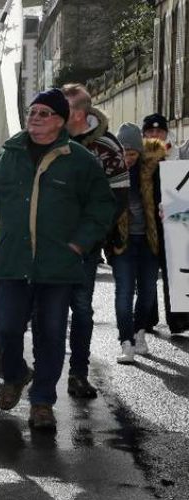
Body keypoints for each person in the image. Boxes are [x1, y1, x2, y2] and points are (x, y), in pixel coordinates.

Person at [0, 88, 115, 431]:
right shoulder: (10, 154)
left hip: (57, 266)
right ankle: (15, 374)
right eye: (33, 112)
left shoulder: (79, 160)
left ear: (60, 120)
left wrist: (80, 244)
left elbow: (102, 206)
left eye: (44, 113)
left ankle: (42, 402)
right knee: (7, 330)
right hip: (13, 262)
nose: (35, 117)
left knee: (51, 334)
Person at [61, 83, 128, 399]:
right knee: (45, 310)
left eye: (65, 108)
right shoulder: (50, 139)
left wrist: (90, 236)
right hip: (49, 242)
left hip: (84, 247)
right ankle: (42, 373)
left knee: (81, 309)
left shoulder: (105, 147)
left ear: (79, 113)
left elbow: (119, 197)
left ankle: (78, 372)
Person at [110, 124, 165, 363]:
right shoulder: (110, 172)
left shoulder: (154, 171)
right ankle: (126, 342)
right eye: (124, 153)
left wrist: (165, 209)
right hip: (122, 242)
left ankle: (139, 332)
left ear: (140, 152)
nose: (128, 158)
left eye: (133, 153)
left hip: (148, 241)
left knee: (148, 291)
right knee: (123, 292)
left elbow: (170, 197)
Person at [141, 113, 189, 333]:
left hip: (174, 220)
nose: (155, 135)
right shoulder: (139, 157)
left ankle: (179, 319)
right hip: (146, 221)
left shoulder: (177, 154)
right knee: (148, 273)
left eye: (159, 131)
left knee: (175, 271)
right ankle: (148, 317)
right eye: (150, 131)